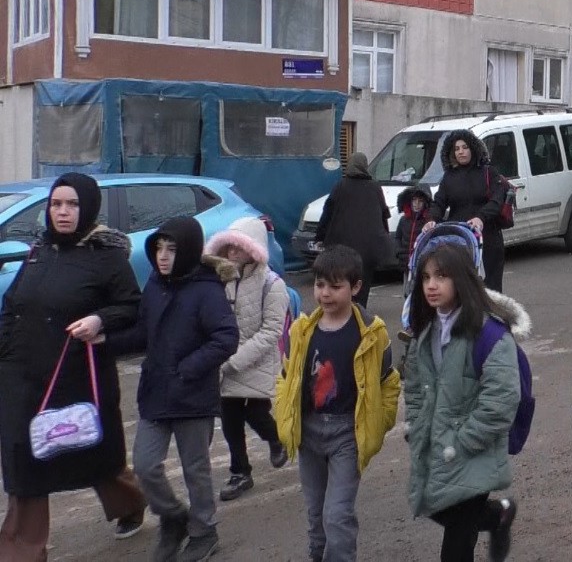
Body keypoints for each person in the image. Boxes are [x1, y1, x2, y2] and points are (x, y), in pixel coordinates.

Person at [0, 173, 147, 560]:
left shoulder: (107, 257)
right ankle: (22, 551)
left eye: (72, 205)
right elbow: (14, 307)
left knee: (92, 453)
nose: (63, 212)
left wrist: (100, 320)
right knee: (24, 465)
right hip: (21, 377)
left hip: (77, 377)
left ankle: (130, 503)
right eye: (56, 204)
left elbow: (132, 307)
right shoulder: (40, 250)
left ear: (88, 209)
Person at [104, 216, 240, 562]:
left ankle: (204, 531)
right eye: (159, 248)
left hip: (193, 394)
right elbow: (143, 332)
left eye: (172, 249)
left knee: (195, 469)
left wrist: (189, 368)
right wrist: (105, 341)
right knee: (147, 465)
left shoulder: (207, 289)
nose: (163, 256)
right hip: (156, 391)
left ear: (189, 251)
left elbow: (226, 338)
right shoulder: (155, 283)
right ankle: (173, 517)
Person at [273, 245, 400, 562]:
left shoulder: (371, 333)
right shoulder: (302, 331)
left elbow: (388, 381)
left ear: (356, 287)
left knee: (337, 515)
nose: (325, 293)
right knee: (316, 516)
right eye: (319, 284)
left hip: (347, 433)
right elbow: (286, 376)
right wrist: (282, 416)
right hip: (309, 433)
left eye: (335, 285)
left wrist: (378, 423)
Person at [404, 243, 526, 562]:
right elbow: (415, 388)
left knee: (456, 546)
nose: (431, 285)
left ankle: (490, 515)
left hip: (475, 449)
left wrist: (463, 441)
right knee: (432, 503)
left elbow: (502, 399)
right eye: (426, 277)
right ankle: (497, 515)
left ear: (462, 278)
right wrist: (418, 428)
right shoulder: (425, 331)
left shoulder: (489, 334)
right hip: (440, 444)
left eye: (442, 276)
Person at [203, 217, 290, 503]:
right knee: (229, 420)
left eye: (239, 247)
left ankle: (277, 440)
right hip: (226, 361)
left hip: (256, 361)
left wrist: (235, 359)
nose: (232, 253)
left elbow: (271, 331)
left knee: (255, 413)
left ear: (253, 249)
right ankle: (240, 471)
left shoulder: (272, 284)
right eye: (229, 246)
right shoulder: (221, 279)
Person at [423, 131, 508, 291]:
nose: (460, 151)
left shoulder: (488, 172)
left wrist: (481, 218)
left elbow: (497, 201)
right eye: (456, 149)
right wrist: (432, 219)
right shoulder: (449, 177)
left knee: (491, 289)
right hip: (460, 240)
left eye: (464, 147)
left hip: (488, 239)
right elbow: (439, 202)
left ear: (473, 149)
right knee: (462, 289)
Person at [315, 152, 392, 310]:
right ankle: (359, 315)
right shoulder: (375, 187)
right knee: (362, 285)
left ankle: (342, 312)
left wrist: (320, 236)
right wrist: (384, 239)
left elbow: (327, 213)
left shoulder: (341, 186)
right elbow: (384, 216)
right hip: (367, 249)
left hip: (343, 248)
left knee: (342, 281)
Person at [395, 185, 433, 271]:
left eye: (420, 201)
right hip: (405, 262)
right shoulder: (404, 220)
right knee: (407, 284)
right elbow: (398, 237)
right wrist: (399, 251)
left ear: (425, 203)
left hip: (421, 263)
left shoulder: (427, 222)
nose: (417, 204)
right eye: (414, 200)